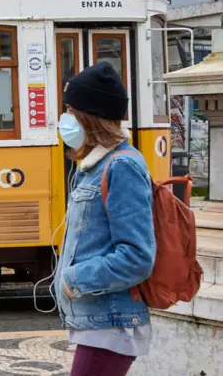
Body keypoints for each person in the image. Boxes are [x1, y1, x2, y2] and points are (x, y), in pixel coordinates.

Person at [54, 62, 156, 376]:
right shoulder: (96, 165)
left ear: (89, 116)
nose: (64, 118)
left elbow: (137, 257)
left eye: (70, 110)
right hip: (99, 321)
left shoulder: (121, 166)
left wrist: (73, 280)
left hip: (112, 323)